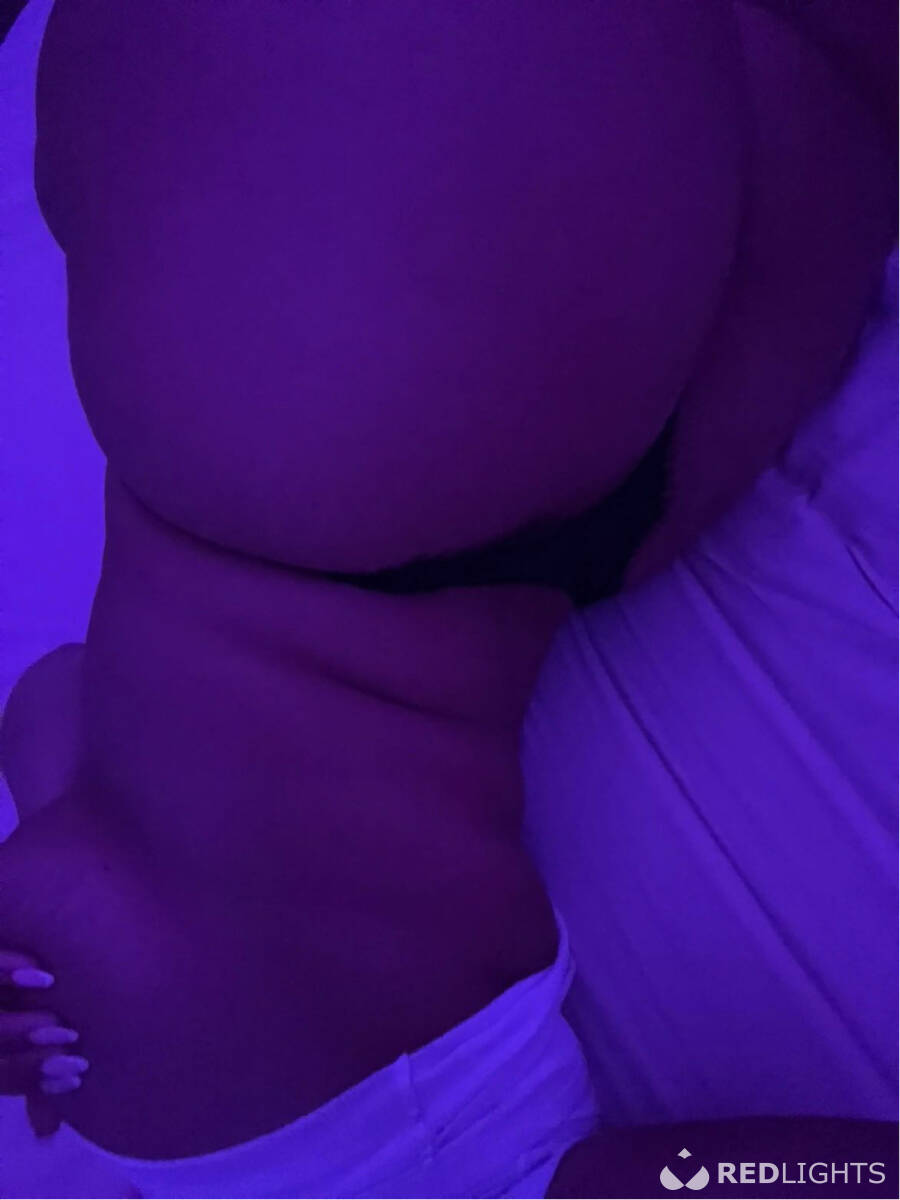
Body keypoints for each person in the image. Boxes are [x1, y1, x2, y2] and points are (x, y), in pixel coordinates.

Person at [0, 0, 895, 1195]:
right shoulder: (153, 1090)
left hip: (387, 485)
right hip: (368, 503)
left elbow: (680, 1184)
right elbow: (50, 703)